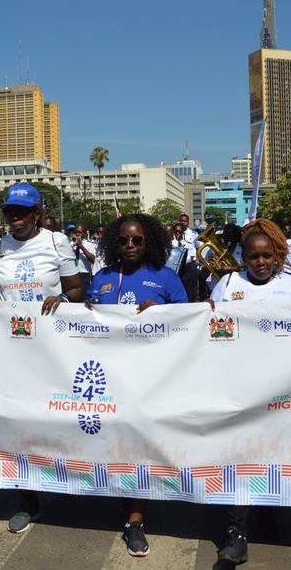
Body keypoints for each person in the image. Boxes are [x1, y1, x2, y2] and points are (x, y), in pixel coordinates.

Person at [0, 183, 84, 533]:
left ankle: (70, 481)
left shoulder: (55, 242)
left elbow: (77, 288)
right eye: (10, 213)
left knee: (56, 420)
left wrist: (63, 299)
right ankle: (27, 499)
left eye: (22, 212)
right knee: (19, 424)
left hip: (52, 348)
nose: (15, 219)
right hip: (13, 349)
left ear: (37, 213)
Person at [207, 219, 291, 565]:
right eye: (253, 256)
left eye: (267, 255)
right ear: (244, 257)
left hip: (281, 392)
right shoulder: (227, 283)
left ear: (278, 254)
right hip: (237, 390)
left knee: (271, 454)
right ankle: (237, 534)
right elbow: (206, 328)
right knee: (241, 457)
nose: (261, 262)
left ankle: (265, 507)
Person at [84, 213, 187, 556]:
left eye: (137, 240)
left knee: (138, 447)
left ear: (150, 242)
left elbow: (188, 325)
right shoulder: (101, 277)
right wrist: (68, 309)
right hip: (107, 378)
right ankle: (120, 498)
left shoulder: (166, 278)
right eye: (124, 240)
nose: (129, 245)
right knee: (114, 446)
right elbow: (85, 320)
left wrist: (160, 311)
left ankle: (136, 520)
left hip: (148, 379)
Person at [179, 214, 200, 302]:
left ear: (188, 222)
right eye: (181, 221)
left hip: (191, 262)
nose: (183, 223)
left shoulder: (193, 233)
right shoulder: (176, 232)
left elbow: (199, 247)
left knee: (191, 286)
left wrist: (197, 259)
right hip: (178, 263)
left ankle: (191, 301)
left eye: (185, 221)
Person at [73, 222, 98, 291]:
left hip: (84, 274)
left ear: (84, 233)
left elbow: (93, 260)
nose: (77, 234)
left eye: (79, 232)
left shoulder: (90, 244)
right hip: (73, 273)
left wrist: (81, 247)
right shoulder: (71, 243)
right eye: (75, 232)